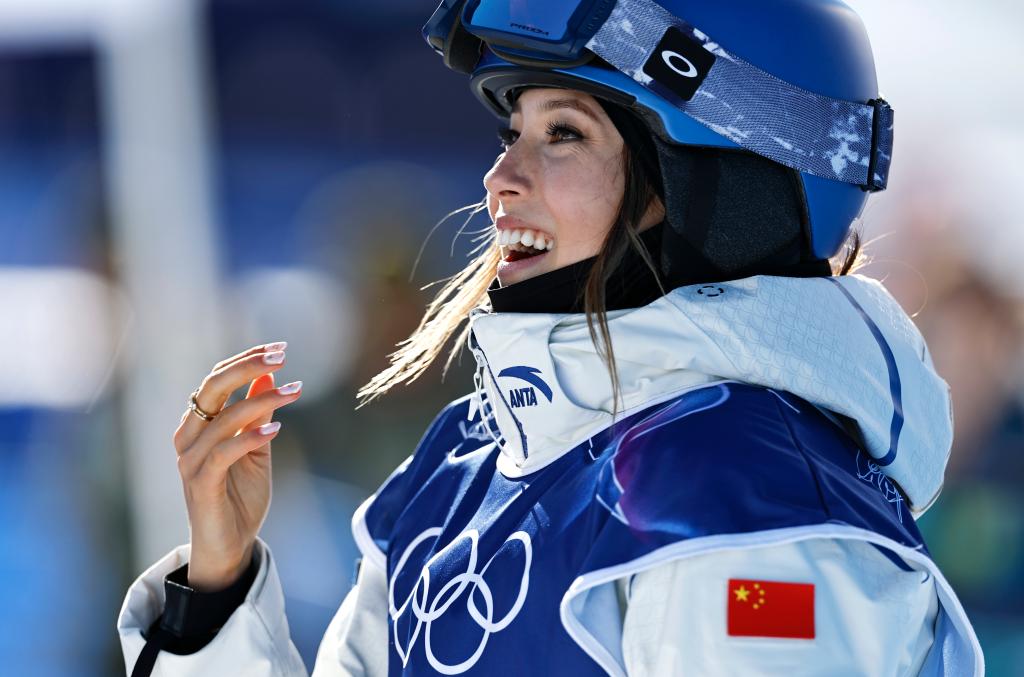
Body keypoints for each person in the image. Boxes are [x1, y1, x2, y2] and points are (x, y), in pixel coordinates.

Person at [118, 0, 985, 674]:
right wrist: (217, 593)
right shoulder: (463, 469)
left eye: (563, 133)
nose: (499, 178)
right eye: (512, 132)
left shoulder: (743, 502)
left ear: (712, 184)